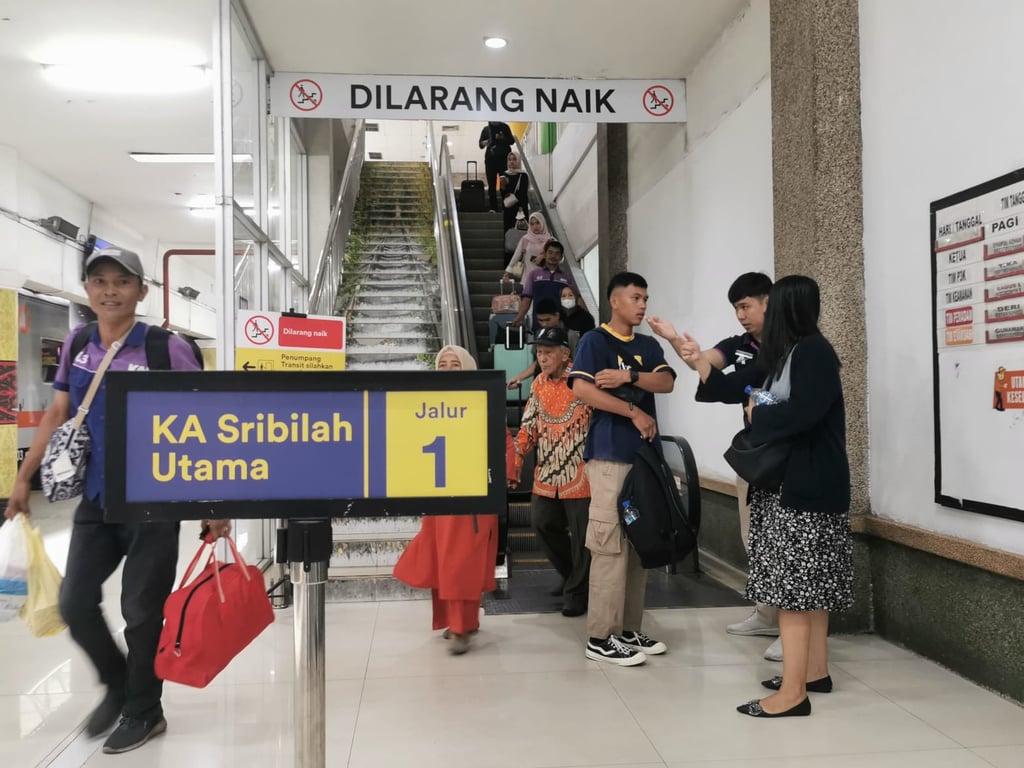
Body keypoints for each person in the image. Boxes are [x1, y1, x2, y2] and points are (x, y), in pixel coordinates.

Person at [3, 248, 231, 754]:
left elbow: (206, 424)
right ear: (87, 290)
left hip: (155, 498)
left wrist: (216, 502)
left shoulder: (165, 349)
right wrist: (22, 479)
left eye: (122, 282)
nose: (110, 291)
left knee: (142, 613)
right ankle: (116, 682)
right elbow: (57, 410)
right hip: (97, 498)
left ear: (142, 291)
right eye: (100, 281)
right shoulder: (78, 343)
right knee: (75, 601)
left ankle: (144, 710)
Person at [720, 275, 853, 718]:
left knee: (794, 593)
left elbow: (801, 415)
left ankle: (793, 694)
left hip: (805, 488)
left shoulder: (812, 351)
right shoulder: (795, 352)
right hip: (803, 485)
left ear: (788, 308)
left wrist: (759, 412)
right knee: (809, 592)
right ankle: (814, 671)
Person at [647, 273, 782, 661]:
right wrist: (675, 340)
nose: (740, 315)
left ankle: (791, 625)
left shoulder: (787, 347)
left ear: (767, 302)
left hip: (787, 458)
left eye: (746, 306)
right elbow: (704, 362)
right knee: (751, 535)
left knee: (781, 544)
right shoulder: (739, 345)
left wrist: (742, 388)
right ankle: (767, 613)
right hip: (753, 456)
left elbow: (728, 385)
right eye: (736, 308)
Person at [568, 272, 676, 666]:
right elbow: (582, 389)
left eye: (646, 297)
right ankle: (601, 635)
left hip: (644, 459)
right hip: (610, 455)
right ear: (615, 301)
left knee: (638, 542)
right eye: (636, 297)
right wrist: (632, 409)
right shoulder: (595, 341)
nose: (643, 305)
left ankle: (628, 630)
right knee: (609, 544)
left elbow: (665, 382)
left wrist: (628, 376)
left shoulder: (647, 344)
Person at [392, 345, 502, 655]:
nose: (449, 369)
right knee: (445, 558)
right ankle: (461, 622)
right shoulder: (424, 402)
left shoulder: (483, 398)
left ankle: (459, 627)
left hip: (473, 494)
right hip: (438, 492)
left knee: (461, 559)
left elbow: (500, 439)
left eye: (456, 364)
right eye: (443, 364)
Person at [514, 327, 592, 616]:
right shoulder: (538, 384)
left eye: (548, 352)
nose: (543, 358)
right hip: (546, 473)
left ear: (565, 353)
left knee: (584, 536)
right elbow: (528, 426)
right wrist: (517, 457)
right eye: (539, 353)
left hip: (580, 472)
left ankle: (576, 592)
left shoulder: (583, 381)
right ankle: (573, 576)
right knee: (543, 523)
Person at [511, 240, 577, 333]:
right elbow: (527, 298)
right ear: (544, 255)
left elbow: (575, 301)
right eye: (550, 252)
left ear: (561, 257)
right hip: (539, 323)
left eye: (557, 253)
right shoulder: (533, 275)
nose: (553, 256)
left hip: (562, 325)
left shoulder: (567, 278)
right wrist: (520, 317)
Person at [506, 299, 569, 390]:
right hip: (543, 386)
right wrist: (519, 378)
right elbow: (537, 363)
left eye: (547, 319)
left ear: (557, 316)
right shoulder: (539, 334)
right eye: (540, 320)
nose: (544, 324)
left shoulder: (570, 335)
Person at [479, 120, 516, 212]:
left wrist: (502, 138)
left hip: (503, 159)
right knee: (491, 184)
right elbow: (480, 144)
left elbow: (511, 141)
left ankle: (506, 207)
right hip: (490, 160)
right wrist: (486, 142)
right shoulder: (486, 129)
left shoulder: (504, 127)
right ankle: (493, 208)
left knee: (504, 183)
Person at [503, 212, 551, 279]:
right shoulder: (526, 239)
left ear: (542, 223)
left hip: (546, 278)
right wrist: (507, 273)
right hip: (528, 278)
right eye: (532, 224)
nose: (535, 226)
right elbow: (516, 255)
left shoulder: (550, 240)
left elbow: (560, 258)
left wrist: (544, 256)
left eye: (538, 223)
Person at [499, 151, 529, 233]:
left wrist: (521, 207)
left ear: (518, 160)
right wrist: (503, 185)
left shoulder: (523, 175)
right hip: (508, 208)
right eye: (509, 159)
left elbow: (523, 193)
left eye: (514, 159)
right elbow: (502, 193)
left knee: (520, 233)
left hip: (520, 209)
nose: (511, 162)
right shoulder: (504, 174)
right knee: (509, 233)